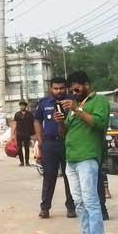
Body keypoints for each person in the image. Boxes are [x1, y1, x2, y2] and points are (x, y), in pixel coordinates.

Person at [58, 71, 109, 234]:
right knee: (78, 201)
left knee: (90, 200)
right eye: (72, 88)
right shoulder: (77, 105)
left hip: (87, 157)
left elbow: (99, 123)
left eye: (77, 87)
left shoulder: (99, 101)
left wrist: (76, 110)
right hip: (71, 158)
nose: (74, 91)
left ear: (87, 84)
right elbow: (66, 132)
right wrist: (61, 122)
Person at [34, 77, 76, 219]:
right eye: (56, 88)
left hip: (68, 143)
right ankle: (45, 208)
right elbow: (37, 120)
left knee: (69, 176)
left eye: (62, 88)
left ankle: (71, 207)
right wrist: (40, 140)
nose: (59, 91)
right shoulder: (44, 103)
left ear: (66, 88)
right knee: (49, 176)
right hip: (49, 144)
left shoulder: (72, 102)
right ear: (50, 89)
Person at [11, 100, 34, 166]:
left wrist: (33, 134)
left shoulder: (29, 114)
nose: (22, 106)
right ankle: (21, 162)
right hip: (19, 133)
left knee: (27, 148)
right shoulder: (17, 114)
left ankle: (27, 161)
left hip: (27, 133)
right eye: (21, 105)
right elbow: (14, 124)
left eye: (23, 105)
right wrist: (12, 134)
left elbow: (33, 123)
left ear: (25, 106)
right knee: (19, 148)